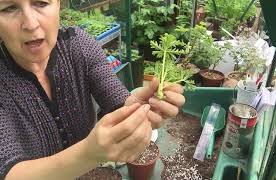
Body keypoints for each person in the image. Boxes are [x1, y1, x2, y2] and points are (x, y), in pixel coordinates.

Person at [0, 0, 185, 179]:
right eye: (9, 8)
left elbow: (114, 96)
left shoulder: (78, 44)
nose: (31, 24)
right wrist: (88, 154)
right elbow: (9, 172)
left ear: (58, 5)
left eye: (41, 3)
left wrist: (136, 107)